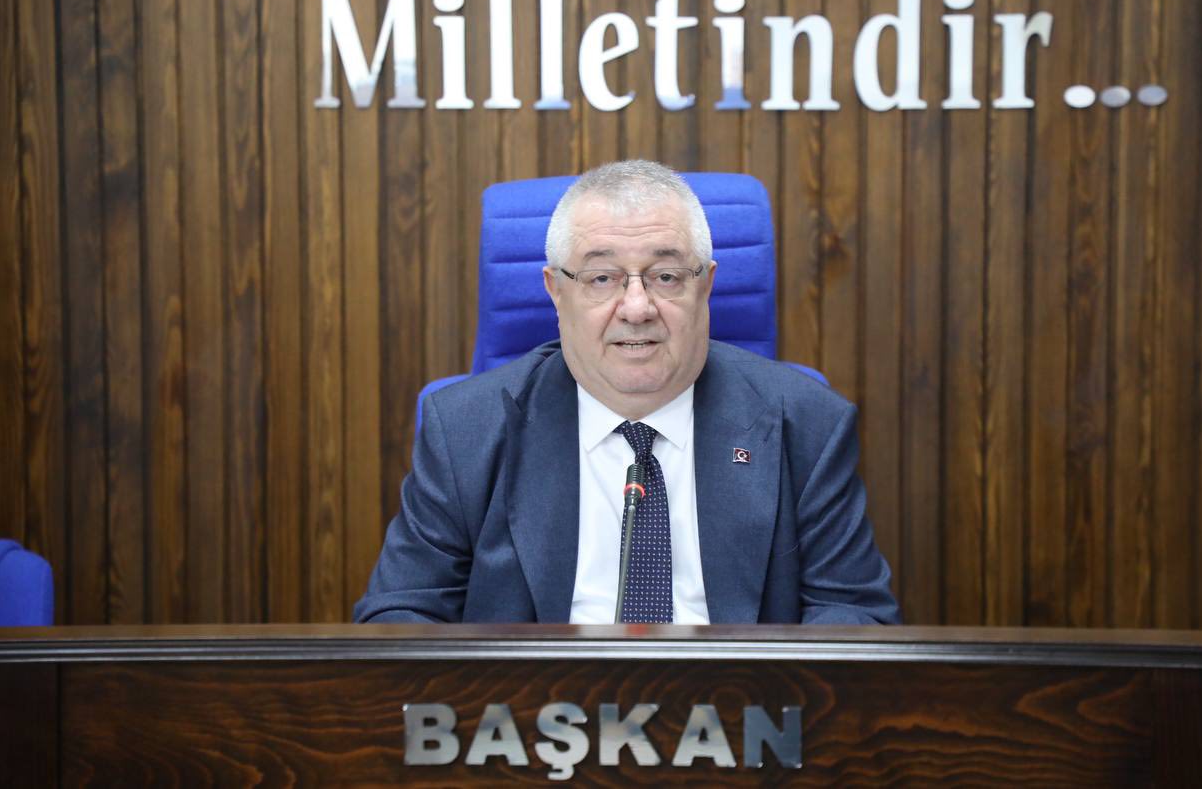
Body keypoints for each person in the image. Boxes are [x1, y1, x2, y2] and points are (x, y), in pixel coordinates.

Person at [355, 160, 899, 624]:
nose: (637, 308)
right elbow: (401, 616)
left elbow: (853, 615)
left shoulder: (808, 426)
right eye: (601, 278)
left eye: (666, 276)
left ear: (706, 285)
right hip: (532, 709)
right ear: (556, 291)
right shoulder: (465, 432)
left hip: (739, 706)